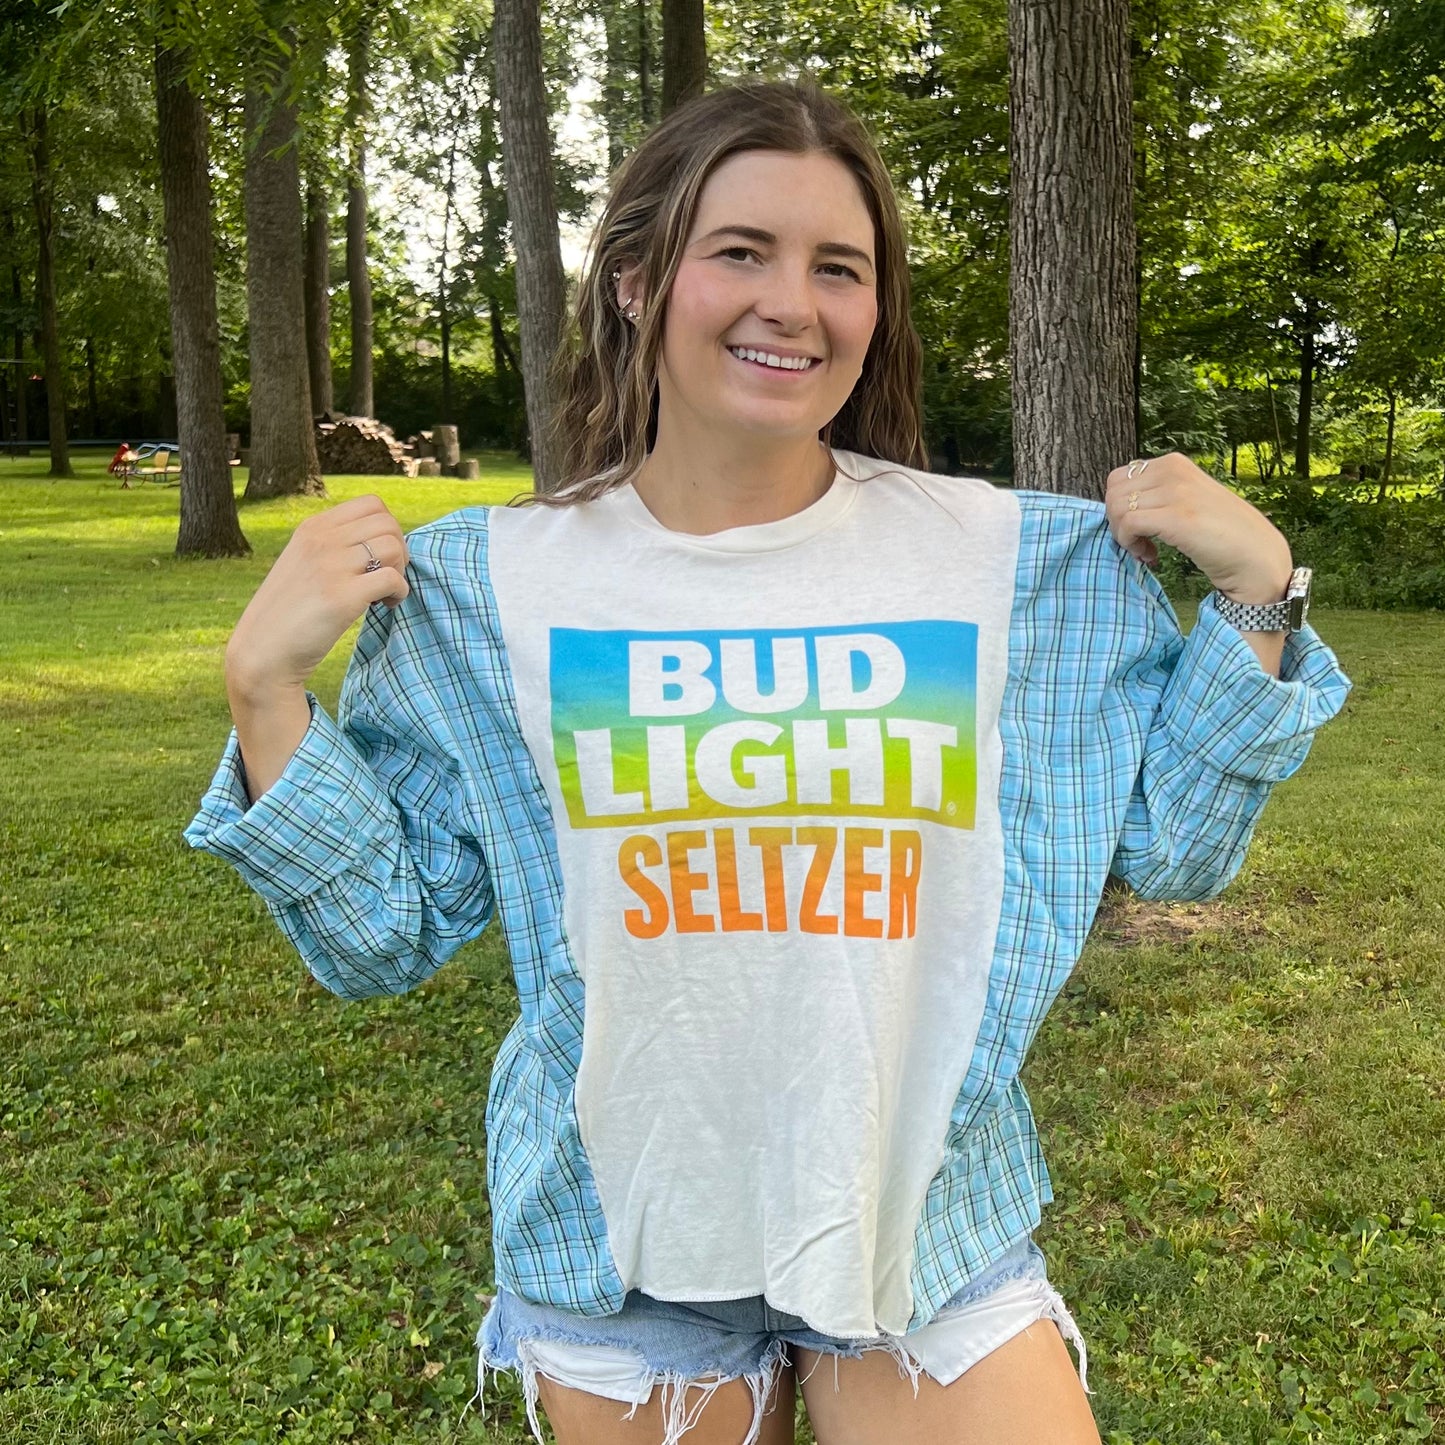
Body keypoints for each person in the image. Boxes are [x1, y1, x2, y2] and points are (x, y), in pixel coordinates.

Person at [184, 79, 1352, 1445]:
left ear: (873, 312)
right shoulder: (487, 589)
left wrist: (1258, 600)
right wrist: (264, 692)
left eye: (836, 267)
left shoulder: (1018, 572)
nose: (789, 302)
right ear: (635, 281)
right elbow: (382, 935)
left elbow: (1171, 849)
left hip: (927, 1215)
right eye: (738, 250)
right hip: (620, 1248)